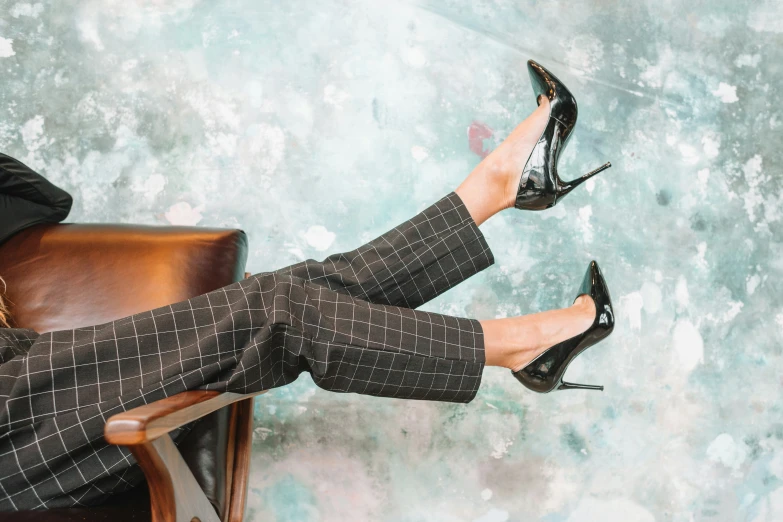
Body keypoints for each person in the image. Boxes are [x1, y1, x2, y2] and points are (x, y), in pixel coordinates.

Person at [0, 59, 615, 511]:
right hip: (11, 418)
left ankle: (503, 191)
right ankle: (516, 334)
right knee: (286, 307)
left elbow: (42, 199)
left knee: (297, 294)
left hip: (22, 371)